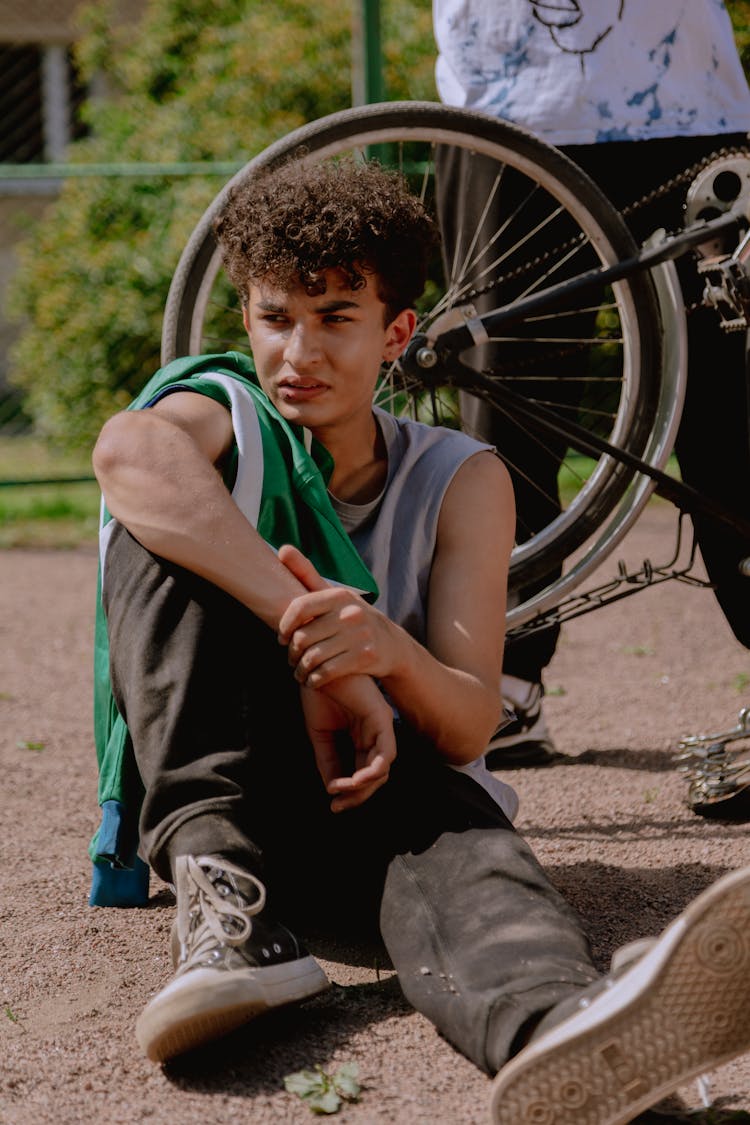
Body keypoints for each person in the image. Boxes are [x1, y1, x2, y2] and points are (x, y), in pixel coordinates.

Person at [91, 158, 750, 1122]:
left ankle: (571, 1037)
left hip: (376, 793)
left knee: (461, 841)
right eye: (276, 317)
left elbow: (471, 719)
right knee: (169, 525)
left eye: (336, 319)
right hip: (224, 779)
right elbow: (127, 452)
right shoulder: (224, 416)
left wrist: (384, 655)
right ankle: (227, 915)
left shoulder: (458, 479)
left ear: (399, 333)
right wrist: (311, 638)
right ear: (246, 322)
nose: (298, 353)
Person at [434, 0, 750, 767]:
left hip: (683, 97)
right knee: (508, 400)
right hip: (504, 94)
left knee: (729, 397)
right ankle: (499, 678)